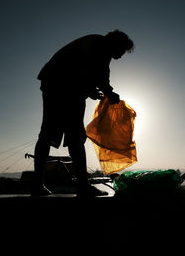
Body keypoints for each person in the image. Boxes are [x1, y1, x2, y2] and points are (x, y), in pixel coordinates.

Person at [32, 30, 135, 197]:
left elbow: (87, 72)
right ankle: (80, 186)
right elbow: (89, 69)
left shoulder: (98, 47)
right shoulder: (97, 45)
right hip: (60, 85)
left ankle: (43, 185)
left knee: (63, 135)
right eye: (122, 51)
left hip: (61, 85)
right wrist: (108, 92)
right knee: (68, 135)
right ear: (116, 44)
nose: (122, 55)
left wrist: (92, 91)